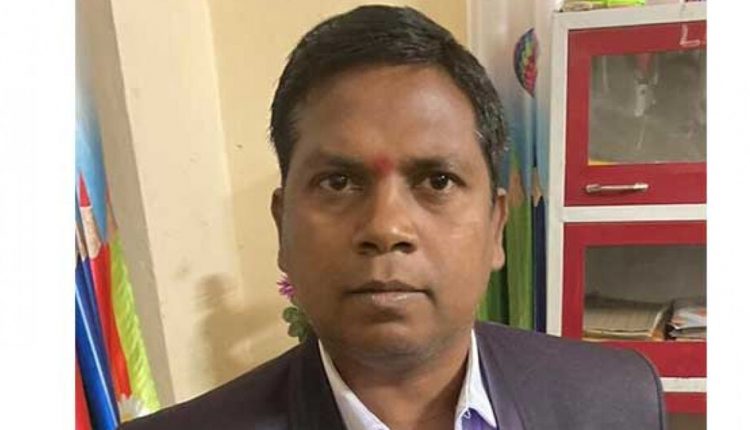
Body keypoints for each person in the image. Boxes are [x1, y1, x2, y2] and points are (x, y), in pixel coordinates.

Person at [121, 5, 666, 430]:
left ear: (496, 226)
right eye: (338, 182)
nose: (386, 228)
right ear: (282, 228)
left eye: (437, 181)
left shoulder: (615, 401)